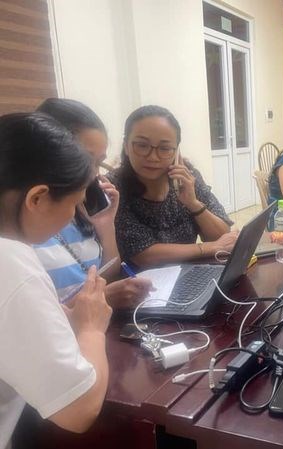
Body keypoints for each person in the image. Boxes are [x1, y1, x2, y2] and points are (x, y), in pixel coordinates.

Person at [0, 113, 112, 448]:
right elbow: (79, 410)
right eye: (75, 203)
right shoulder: (10, 261)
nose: (74, 215)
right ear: (37, 198)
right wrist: (92, 329)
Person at [34, 98, 153, 308]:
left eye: (99, 162)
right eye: (84, 160)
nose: (93, 174)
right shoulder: (17, 224)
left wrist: (106, 227)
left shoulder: (86, 204)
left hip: (99, 324)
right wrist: (104, 297)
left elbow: (108, 275)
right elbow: (27, 316)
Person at [109, 105, 237, 269]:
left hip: (190, 273)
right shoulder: (113, 187)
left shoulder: (187, 177)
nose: (153, 157)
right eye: (142, 145)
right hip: (141, 280)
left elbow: (223, 237)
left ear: (176, 151)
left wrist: (193, 204)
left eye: (164, 148)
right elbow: (143, 255)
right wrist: (208, 248)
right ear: (126, 146)